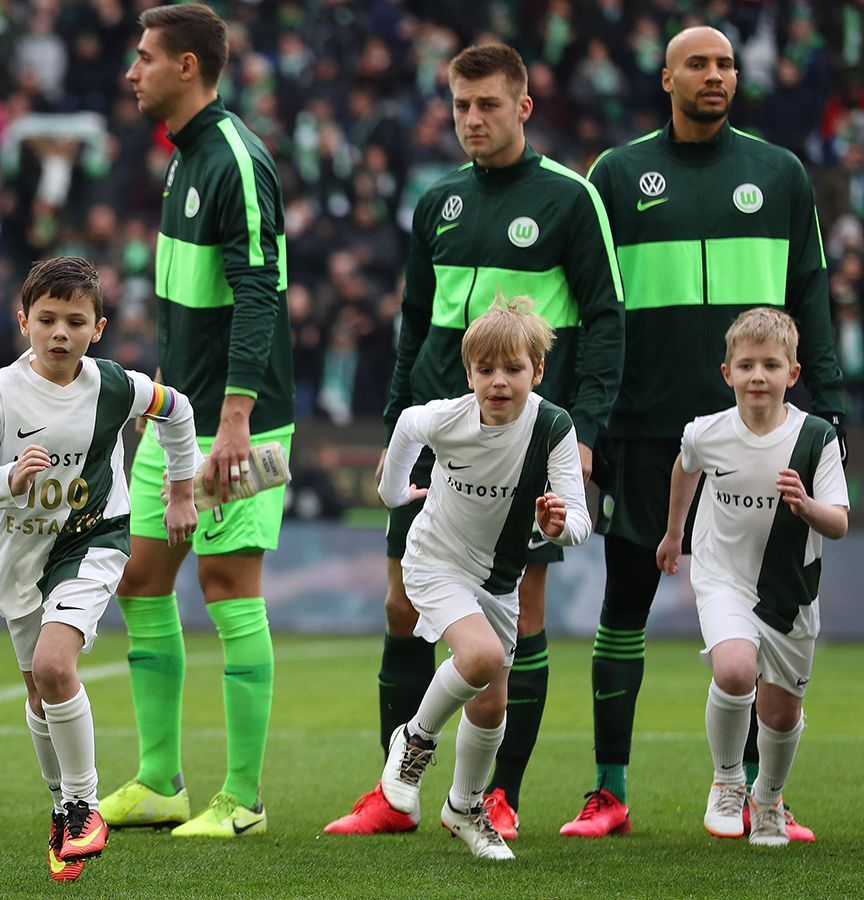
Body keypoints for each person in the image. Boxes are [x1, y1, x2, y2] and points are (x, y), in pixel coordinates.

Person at [325, 43, 622, 839]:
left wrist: (584, 432)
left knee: (519, 619)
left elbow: (604, 320)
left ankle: (498, 794)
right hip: (437, 434)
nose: (472, 119)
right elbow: (413, 321)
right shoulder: (438, 200)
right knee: (399, 607)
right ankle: (393, 793)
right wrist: (396, 420)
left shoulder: (569, 198)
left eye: (488, 104)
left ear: (523, 107)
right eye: (460, 105)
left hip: (519, 446)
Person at [568, 25, 845, 839]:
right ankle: (609, 793)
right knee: (626, 602)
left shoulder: (781, 173)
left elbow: (812, 294)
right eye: (699, 64)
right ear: (667, 79)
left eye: (725, 63)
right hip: (650, 427)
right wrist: (595, 416)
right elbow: (594, 309)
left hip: (766, 434)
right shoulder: (616, 174)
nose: (716, 75)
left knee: (767, 622)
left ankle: (763, 793)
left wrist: (822, 408)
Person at [101, 3, 293, 837]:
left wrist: (236, 419)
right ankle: (159, 782)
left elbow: (260, 293)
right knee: (141, 579)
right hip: (177, 416)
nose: (132, 71)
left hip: (236, 425)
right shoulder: (183, 159)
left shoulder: (236, 162)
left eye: (145, 58)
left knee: (227, 588)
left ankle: (243, 799)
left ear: (187, 67)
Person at [0, 257, 200, 882]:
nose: (61, 332)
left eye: (76, 321)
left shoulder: (116, 384)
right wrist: (10, 477)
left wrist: (180, 492)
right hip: (21, 557)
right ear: (24, 322)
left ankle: (84, 806)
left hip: (95, 540)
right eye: (48, 319)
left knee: (57, 667)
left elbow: (178, 409)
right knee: (38, 689)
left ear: (99, 328)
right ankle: (63, 807)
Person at [370, 298, 590, 860]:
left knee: (491, 706)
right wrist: (394, 495)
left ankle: (465, 808)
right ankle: (414, 740)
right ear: (468, 374)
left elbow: (581, 524)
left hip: (499, 581)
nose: (499, 382)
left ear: (536, 372)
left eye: (513, 369)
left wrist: (558, 525)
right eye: (486, 370)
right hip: (436, 561)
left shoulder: (554, 426)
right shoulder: (447, 417)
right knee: (480, 657)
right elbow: (405, 425)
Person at [656, 308, 846, 848]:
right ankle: (727, 781)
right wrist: (675, 534)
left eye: (770, 364)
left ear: (793, 373)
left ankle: (768, 802)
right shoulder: (707, 433)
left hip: (790, 591)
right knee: (736, 669)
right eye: (746, 365)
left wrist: (806, 505)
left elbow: (839, 522)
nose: (757, 375)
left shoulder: (816, 439)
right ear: (727, 374)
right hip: (723, 578)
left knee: (781, 713)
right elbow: (684, 465)